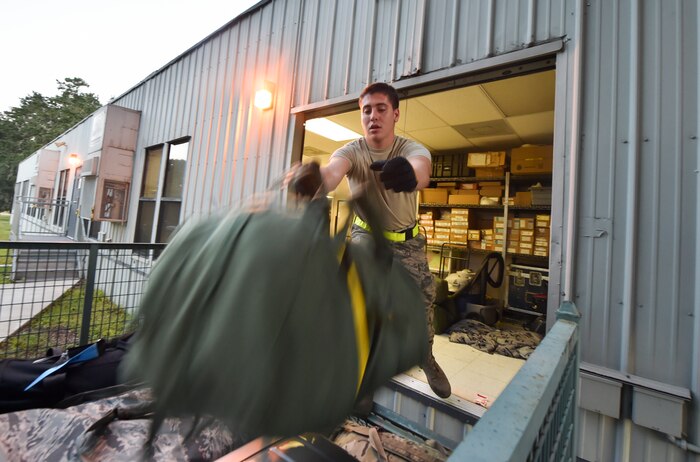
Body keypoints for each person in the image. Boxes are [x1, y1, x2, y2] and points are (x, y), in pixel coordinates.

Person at [316, 82, 451, 399]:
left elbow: (422, 170)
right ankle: (361, 373)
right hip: (367, 236)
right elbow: (333, 172)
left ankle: (425, 356)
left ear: (395, 114)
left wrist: (408, 172)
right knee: (361, 304)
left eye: (380, 109)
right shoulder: (351, 151)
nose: (373, 116)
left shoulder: (410, 148)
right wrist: (313, 181)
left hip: (409, 241)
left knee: (423, 305)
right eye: (366, 110)